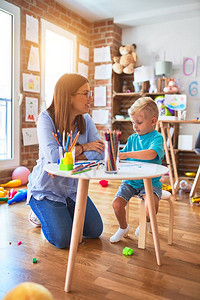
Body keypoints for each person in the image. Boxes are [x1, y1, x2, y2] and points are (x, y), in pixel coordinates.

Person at [27, 73, 104, 249]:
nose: (89, 98)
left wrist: (69, 154)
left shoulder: (85, 119)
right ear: (69, 96)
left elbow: (100, 152)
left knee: (95, 230)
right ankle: (37, 212)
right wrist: (84, 148)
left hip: (72, 189)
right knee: (64, 240)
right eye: (85, 93)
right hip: (47, 189)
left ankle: (60, 213)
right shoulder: (46, 118)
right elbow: (54, 156)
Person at [110, 97, 164, 243]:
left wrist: (126, 154)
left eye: (138, 123)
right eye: (133, 122)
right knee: (116, 204)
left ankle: (146, 223)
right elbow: (122, 158)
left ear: (153, 121)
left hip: (150, 183)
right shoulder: (133, 138)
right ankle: (123, 228)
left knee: (150, 206)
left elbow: (152, 153)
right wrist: (114, 156)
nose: (135, 126)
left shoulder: (156, 138)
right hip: (131, 182)